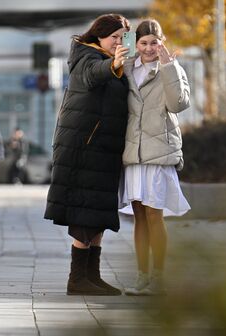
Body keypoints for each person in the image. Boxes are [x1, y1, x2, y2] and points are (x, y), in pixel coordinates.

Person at [44, 13, 131, 296]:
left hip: (103, 151)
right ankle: (77, 279)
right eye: (113, 37)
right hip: (85, 149)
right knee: (85, 213)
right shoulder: (86, 58)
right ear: (99, 35)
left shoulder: (108, 61)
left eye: (121, 38)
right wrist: (114, 65)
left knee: (98, 215)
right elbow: (92, 76)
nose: (117, 42)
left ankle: (92, 277)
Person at [120, 19, 191, 296]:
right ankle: (141, 277)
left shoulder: (171, 68)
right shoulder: (128, 69)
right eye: (143, 42)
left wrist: (168, 67)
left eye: (154, 42)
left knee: (153, 215)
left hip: (158, 154)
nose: (149, 48)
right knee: (138, 216)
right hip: (133, 154)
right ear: (136, 44)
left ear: (162, 42)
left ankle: (159, 278)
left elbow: (179, 104)